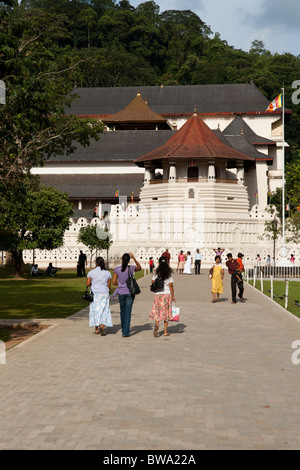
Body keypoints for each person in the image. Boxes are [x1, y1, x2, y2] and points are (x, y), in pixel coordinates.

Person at [113, 252, 141, 337]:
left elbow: (114, 282)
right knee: (128, 312)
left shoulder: (117, 269)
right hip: (129, 292)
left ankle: (123, 329)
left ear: (122, 259)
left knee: (122, 311)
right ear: (129, 261)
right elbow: (139, 268)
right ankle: (126, 332)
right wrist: (134, 258)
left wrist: (121, 283)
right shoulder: (131, 268)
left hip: (121, 293)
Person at [149, 256, 176, 337]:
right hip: (166, 294)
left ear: (159, 263)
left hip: (158, 294)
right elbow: (171, 285)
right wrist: (173, 296)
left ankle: (157, 326)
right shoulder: (169, 273)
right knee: (166, 313)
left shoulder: (156, 272)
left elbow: (152, 281)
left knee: (157, 311)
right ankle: (165, 331)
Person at [86, 257, 112, 336]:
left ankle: (96, 329)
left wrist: (93, 285)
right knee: (104, 310)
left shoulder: (91, 272)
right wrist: (109, 291)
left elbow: (87, 283)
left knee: (95, 310)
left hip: (95, 293)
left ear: (96, 263)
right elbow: (109, 285)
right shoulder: (107, 273)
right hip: (104, 293)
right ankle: (102, 325)